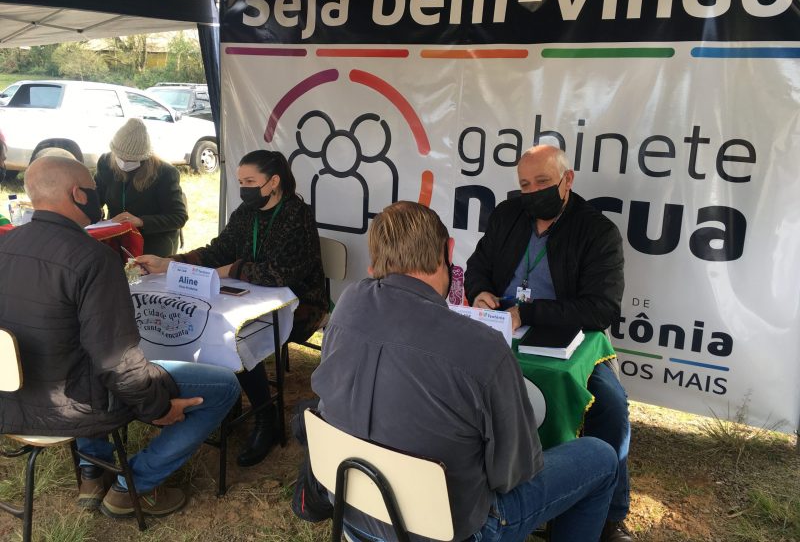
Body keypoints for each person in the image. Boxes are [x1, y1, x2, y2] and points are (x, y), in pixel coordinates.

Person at [310, 200, 619, 541]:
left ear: (374, 263)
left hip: (351, 512)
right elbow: (513, 474)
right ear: (448, 251)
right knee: (601, 457)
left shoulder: (347, 305)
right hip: (455, 531)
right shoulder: (483, 346)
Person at [0, 155, 241, 518]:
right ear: (78, 194)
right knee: (225, 386)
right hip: (71, 404)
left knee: (78, 356)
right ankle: (134, 485)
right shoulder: (93, 258)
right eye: (94, 189)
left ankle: (92, 472)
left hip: (13, 399)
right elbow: (116, 362)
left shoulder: (6, 245)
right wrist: (159, 408)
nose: (99, 197)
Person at [465, 145, 632, 542]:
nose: (533, 192)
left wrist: (530, 313)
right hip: (502, 326)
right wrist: (480, 292)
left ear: (567, 180)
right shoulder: (507, 215)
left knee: (611, 405)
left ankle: (610, 515)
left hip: (569, 337)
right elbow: (477, 267)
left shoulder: (597, 231)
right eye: (525, 184)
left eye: (542, 182)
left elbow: (601, 309)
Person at [138, 149, 327, 467]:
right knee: (205, 325)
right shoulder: (246, 213)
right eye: (240, 182)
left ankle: (266, 417)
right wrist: (169, 262)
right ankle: (227, 398)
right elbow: (218, 251)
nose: (244, 188)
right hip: (247, 296)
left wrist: (228, 270)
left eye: (250, 181)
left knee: (235, 337)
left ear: (273, 182)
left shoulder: (298, 216)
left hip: (299, 305)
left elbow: (281, 274)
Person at [95, 118, 188, 256]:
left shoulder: (165, 173)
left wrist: (141, 221)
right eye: (120, 157)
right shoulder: (106, 163)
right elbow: (96, 195)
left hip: (153, 243)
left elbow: (178, 217)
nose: (124, 162)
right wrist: (95, 210)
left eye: (131, 159)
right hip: (116, 238)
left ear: (144, 157)